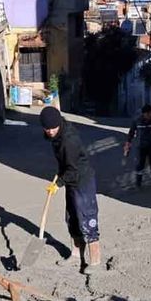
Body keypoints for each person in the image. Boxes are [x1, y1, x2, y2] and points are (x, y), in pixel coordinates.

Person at [40, 107, 101, 275]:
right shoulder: (56, 137)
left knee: (87, 216)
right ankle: (76, 254)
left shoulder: (69, 140)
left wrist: (58, 183)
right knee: (71, 217)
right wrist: (60, 176)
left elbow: (73, 169)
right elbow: (66, 164)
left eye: (53, 128)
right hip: (70, 178)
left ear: (59, 123)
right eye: (47, 128)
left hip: (82, 179)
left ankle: (95, 259)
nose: (50, 131)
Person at [124, 104, 151, 187]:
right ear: (144, 113)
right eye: (150, 113)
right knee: (140, 164)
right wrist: (128, 143)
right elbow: (131, 133)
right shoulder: (137, 121)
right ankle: (138, 183)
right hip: (141, 146)